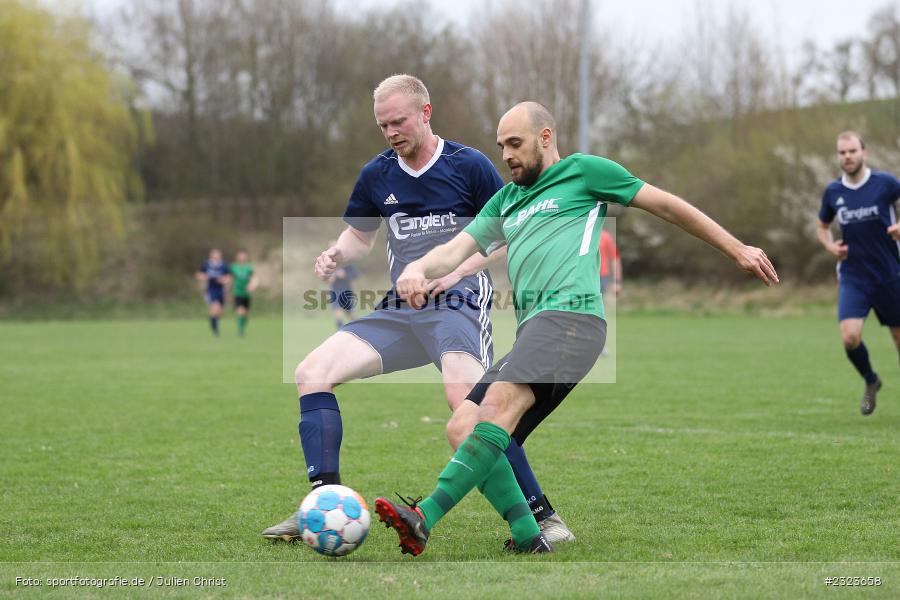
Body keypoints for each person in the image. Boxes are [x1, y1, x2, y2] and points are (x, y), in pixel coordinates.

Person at [375, 101, 778, 555]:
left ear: (545, 138)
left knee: (498, 408)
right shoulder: (507, 199)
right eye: (501, 146)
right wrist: (419, 268)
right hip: (536, 330)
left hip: (572, 318)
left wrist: (736, 247)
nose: (506, 155)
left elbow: (665, 204)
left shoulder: (583, 172)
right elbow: (456, 249)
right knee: (463, 425)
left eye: (515, 143)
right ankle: (531, 535)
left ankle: (423, 517)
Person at [262, 76, 573, 544]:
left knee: (471, 404)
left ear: (425, 112)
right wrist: (336, 253)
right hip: (400, 309)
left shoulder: (468, 165)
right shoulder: (376, 174)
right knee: (312, 372)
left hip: (459, 301)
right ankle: (324, 504)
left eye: (398, 121)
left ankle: (542, 516)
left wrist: (452, 274)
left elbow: (506, 234)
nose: (391, 132)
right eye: (383, 124)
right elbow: (360, 236)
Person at [816, 131, 900, 416]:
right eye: (842, 153)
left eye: (852, 151)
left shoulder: (885, 183)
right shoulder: (833, 192)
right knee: (849, 337)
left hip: (890, 274)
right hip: (854, 277)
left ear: (865, 153)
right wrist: (830, 247)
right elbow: (822, 227)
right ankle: (871, 380)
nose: (847, 157)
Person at [195, 248, 230, 336]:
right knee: (215, 307)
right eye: (214, 255)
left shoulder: (224, 265)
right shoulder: (206, 265)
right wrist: (205, 277)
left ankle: (213, 321)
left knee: (220, 311)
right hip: (211, 290)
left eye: (217, 255)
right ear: (211, 256)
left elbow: (229, 277)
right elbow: (198, 275)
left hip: (221, 290)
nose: (215, 257)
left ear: (220, 256)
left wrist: (223, 280)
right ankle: (215, 330)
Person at [326, 239, 359, 329]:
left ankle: (357, 326)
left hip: (346, 291)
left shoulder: (347, 262)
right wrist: (333, 275)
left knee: (350, 313)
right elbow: (328, 280)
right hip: (335, 291)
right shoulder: (329, 263)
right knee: (337, 311)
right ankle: (340, 327)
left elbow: (355, 275)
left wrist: (344, 274)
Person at [230, 250, 258, 337]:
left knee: (246, 314)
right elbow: (229, 278)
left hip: (246, 294)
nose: (242, 258)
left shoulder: (248, 268)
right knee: (240, 311)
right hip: (237, 293)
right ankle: (240, 331)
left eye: (244, 256)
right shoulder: (233, 267)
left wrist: (252, 285)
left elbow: (254, 278)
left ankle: (242, 328)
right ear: (237, 258)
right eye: (240, 256)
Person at [599, 228, 622, 296]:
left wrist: (617, 282)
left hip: (602, 276)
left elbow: (615, 259)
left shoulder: (606, 236)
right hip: (583, 276)